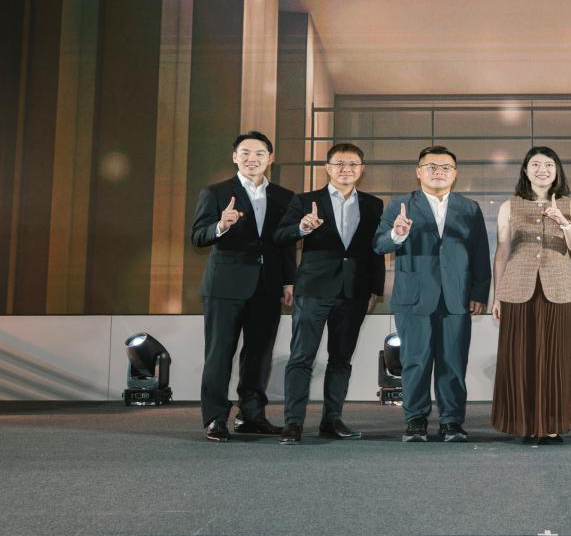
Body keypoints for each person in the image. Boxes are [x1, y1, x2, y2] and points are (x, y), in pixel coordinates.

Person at [373, 146, 491, 442]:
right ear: (419, 172)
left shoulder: (469, 208)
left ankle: (452, 421)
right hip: (413, 297)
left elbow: (480, 253)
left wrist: (479, 293)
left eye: (446, 167)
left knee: (453, 362)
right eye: (432, 167)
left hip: (457, 296)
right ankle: (415, 421)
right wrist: (397, 234)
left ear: (455, 173)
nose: (439, 172)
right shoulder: (399, 205)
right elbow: (379, 245)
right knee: (415, 361)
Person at [273, 143, 385, 445]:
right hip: (313, 289)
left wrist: (375, 289)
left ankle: (332, 420)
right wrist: (301, 227)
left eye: (353, 164)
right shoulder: (305, 201)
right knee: (302, 357)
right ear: (327, 167)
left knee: (341, 359)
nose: (346, 169)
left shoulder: (373, 204)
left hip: (355, 291)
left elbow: (376, 249)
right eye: (339, 164)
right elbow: (280, 236)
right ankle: (293, 423)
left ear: (361, 169)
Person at [190, 131, 296, 442]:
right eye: (246, 153)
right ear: (235, 157)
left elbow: (285, 243)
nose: (253, 159)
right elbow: (198, 236)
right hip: (224, 287)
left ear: (270, 158)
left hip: (268, 286)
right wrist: (221, 225)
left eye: (260, 153)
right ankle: (215, 419)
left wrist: (289, 280)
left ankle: (251, 415)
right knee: (219, 354)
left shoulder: (285, 197)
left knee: (259, 355)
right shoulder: (215, 192)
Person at [491, 146, 571, 443]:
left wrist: (563, 221)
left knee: (559, 358)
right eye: (535, 164)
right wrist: (497, 295)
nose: (542, 170)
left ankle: (553, 424)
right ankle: (526, 424)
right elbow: (502, 251)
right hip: (517, 290)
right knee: (521, 358)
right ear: (525, 170)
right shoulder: (509, 206)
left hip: (560, 291)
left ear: (557, 170)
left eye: (549, 164)